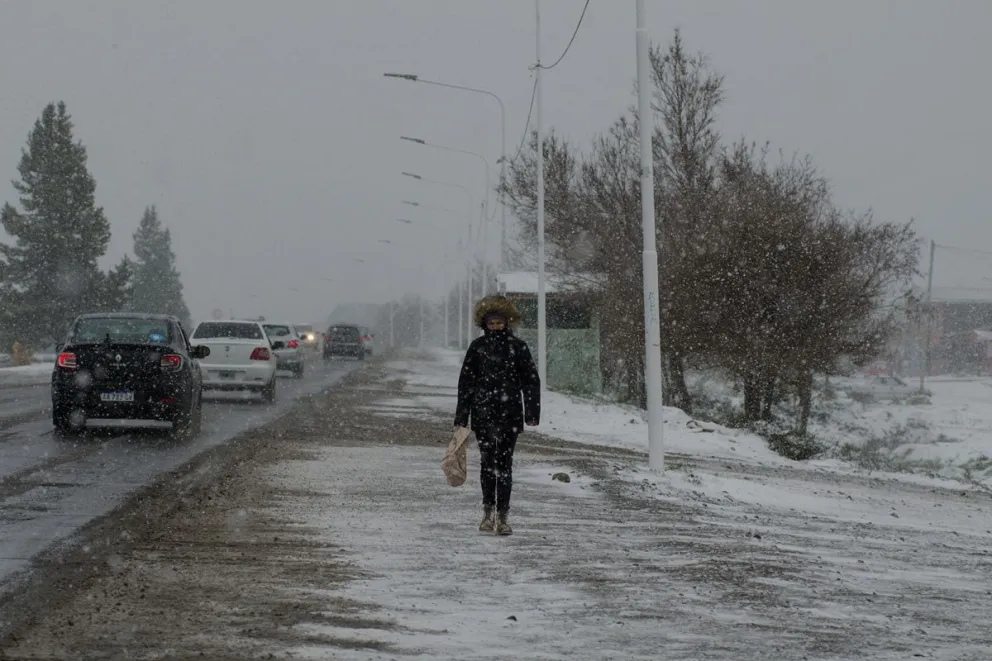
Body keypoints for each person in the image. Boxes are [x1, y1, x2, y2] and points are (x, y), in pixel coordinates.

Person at [454, 295, 541, 536]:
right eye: (491, 323)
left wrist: (532, 413)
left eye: (499, 323)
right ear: (484, 324)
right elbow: (466, 383)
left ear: (507, 323)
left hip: (510, 414)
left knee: (504, 465)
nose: (495, 327)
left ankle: (503, 515)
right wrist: (462, 416)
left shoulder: (518, 348)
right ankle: (487, 511)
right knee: (487, 463)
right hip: (483, 414)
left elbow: (531, 381)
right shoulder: (477, 348)